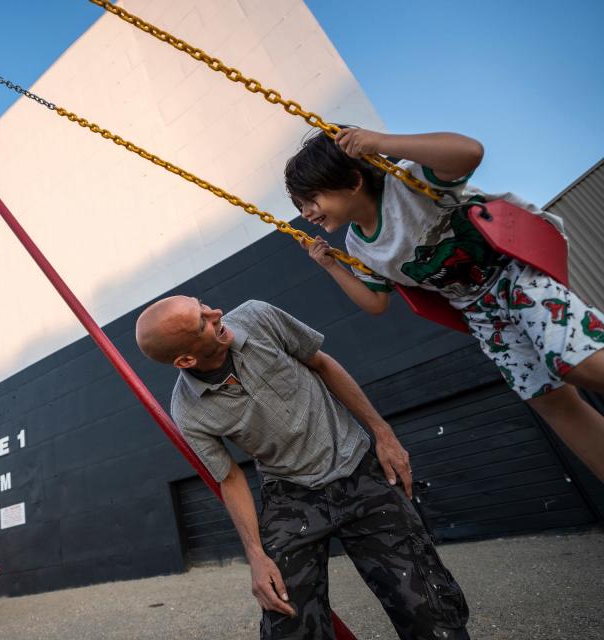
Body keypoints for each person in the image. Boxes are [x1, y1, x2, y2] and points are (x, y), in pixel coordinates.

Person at [135, 297, 469, 640]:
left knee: (427, 606)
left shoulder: (259, 317)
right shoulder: (189, 412)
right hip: (290, 493)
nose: (215, 313)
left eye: (202, 305)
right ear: (187, 359)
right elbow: (231, 477)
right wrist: (256, 555)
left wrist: (383, 433)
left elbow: (322, 364)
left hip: (356, 466)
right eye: (202, 322)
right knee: (283, 613)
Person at [285, 126, 604, 481]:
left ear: (352, 182)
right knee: (550, 401)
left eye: (311, 199)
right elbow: (376, 303)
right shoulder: (359, 246)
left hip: (511, 271)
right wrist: (331, 265)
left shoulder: (406, 182)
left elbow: (470, 152)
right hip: (480, 311)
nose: (307, 212)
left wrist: (379, 143)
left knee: (574, 363)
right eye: (301, 207)